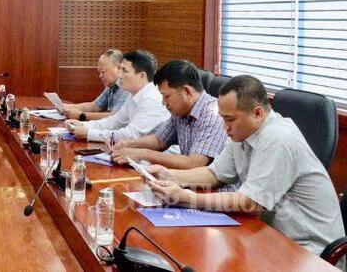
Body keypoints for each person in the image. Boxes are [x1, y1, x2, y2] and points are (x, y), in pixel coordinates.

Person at [147, 75, 344, 256]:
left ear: (257, 113)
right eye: (223, 118)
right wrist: (171, 176)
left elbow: (250, 202)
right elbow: (215, 174)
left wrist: (187, 198)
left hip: (309, 250)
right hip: (271, 236)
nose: (224, 127)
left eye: (229, 119)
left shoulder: (278, 138)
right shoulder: (242, 132)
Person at [110, 59, 227, 169]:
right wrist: (126, 144)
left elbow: (194, 163)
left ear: (187, 91)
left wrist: (142, 154)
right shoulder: (181, 111)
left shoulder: (213, 114)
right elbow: (159, 141)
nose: (163, 102)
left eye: (166, 96)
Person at [67, 50, 169, 143]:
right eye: (120, 69)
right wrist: (83, 125)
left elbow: (129, 136)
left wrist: (89, 133)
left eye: (124, 70)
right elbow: (115, 122)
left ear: (142, 76)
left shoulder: (152, 99)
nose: (119, 75)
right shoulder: (133, 94)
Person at [63, 49, 127, 121]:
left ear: (119, 68)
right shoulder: (111, 85)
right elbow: (95, 106)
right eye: (99, 72)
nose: (100, 76)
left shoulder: (126, 86)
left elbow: (116, 117)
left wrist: (81, 115)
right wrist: (70, 107)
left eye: (103, 72)